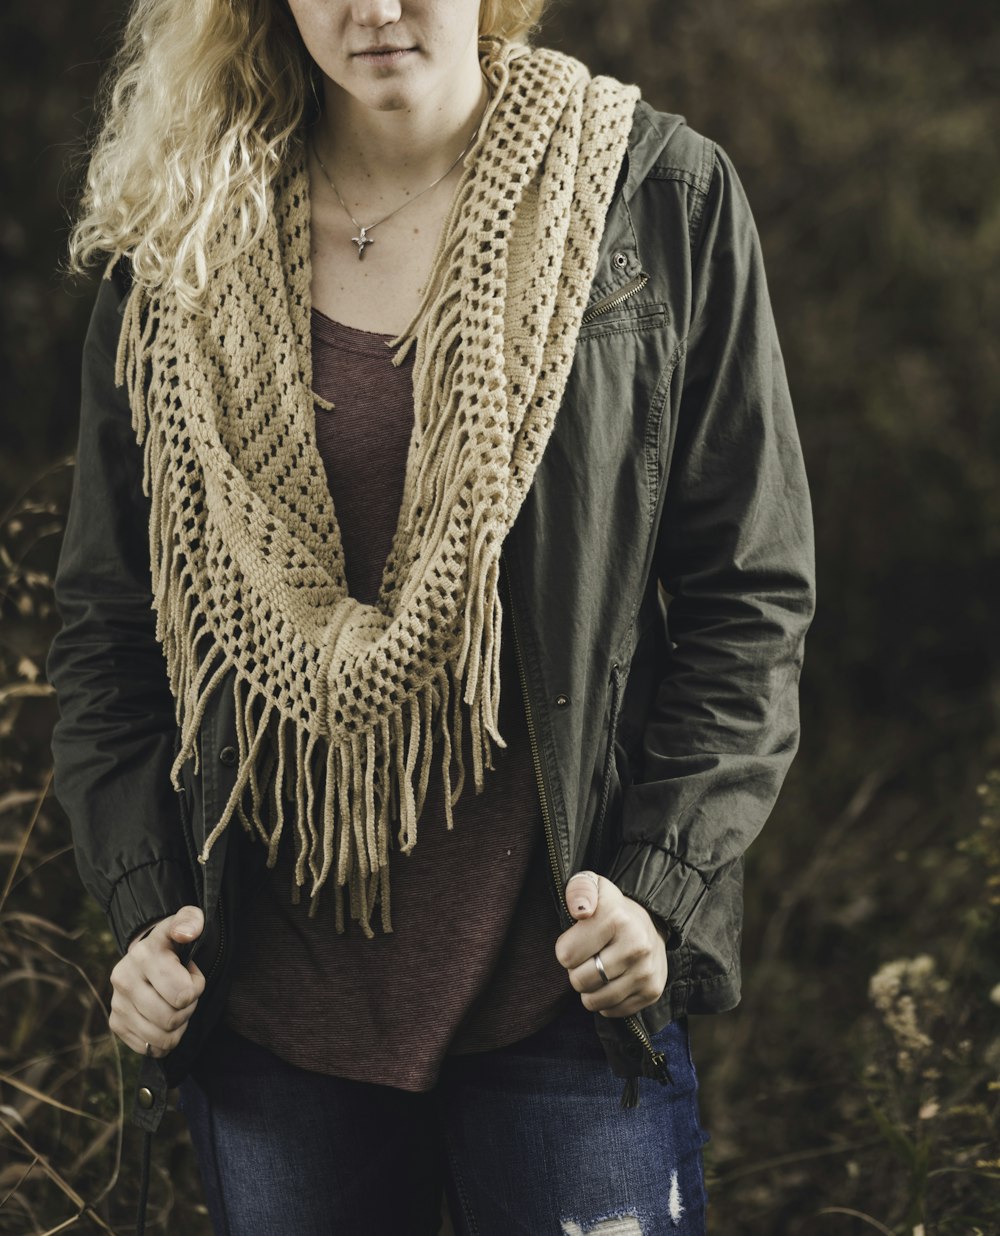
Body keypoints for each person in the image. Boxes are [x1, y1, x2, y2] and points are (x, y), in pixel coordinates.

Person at [47, 0, 815, 1231]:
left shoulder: (656, 197)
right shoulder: (179, 243)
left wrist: (655, 886)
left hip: (565, 982)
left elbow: (748, 593)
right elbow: (108, 628)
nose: (375, 7)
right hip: (269, 1009)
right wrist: (144, 906)